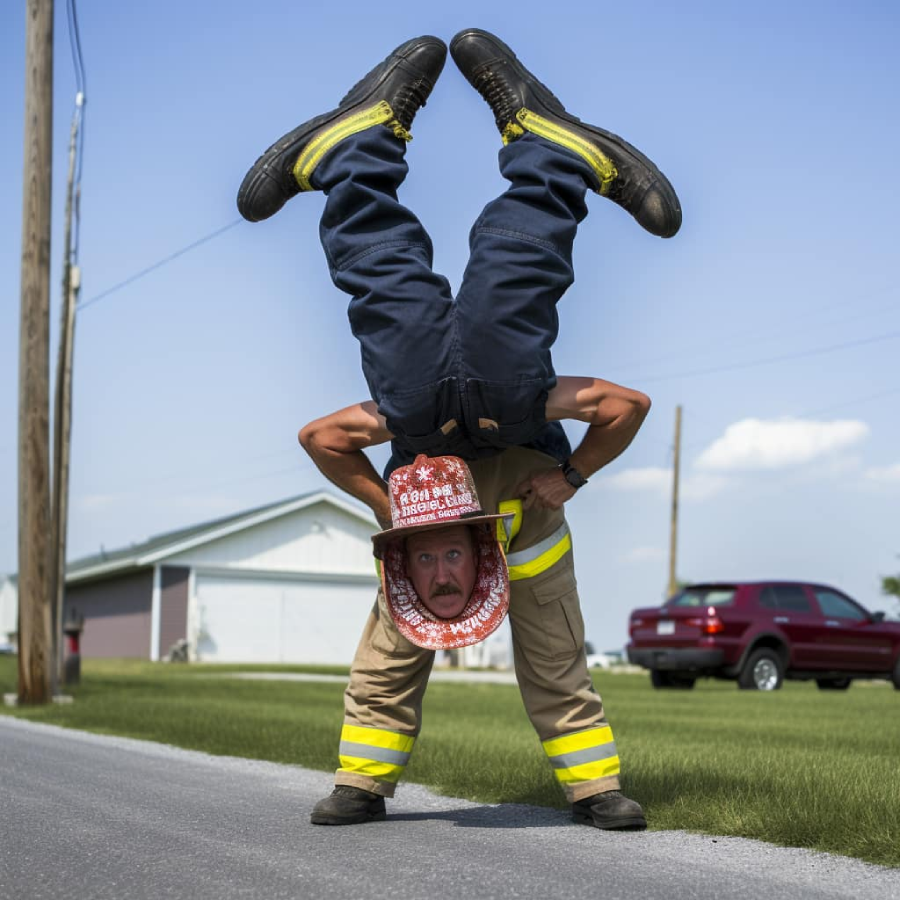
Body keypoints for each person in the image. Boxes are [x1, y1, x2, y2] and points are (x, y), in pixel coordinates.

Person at [237, 28, 681, 829]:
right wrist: (566, 466)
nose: (439, 575)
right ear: (476, 573)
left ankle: (350, 153)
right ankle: (556, 157)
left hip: (418, 412)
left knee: (384, 286)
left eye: (434, 571)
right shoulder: (531, 532)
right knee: (512, 298)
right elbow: (626, 406)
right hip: (508, 409)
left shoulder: (409, 561)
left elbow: (321, 438)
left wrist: (385, 504)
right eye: (447, 573)